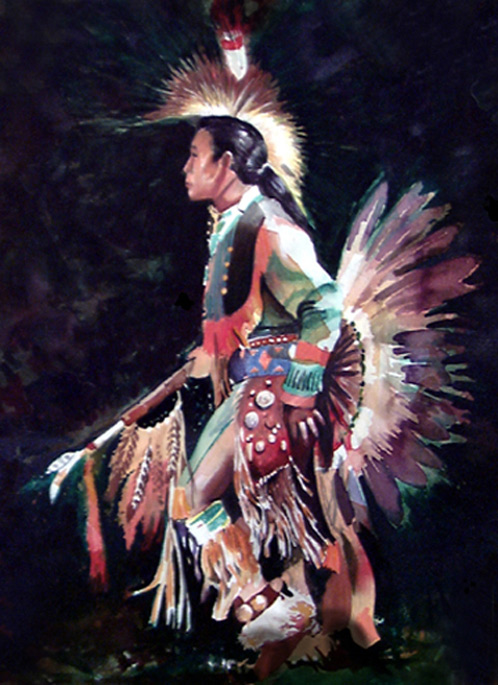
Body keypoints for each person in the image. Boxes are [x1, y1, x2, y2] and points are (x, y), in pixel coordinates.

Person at [152, 114, 380, 672]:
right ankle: (327, 626)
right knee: (311, 520)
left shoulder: (270, 229)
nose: (185, 168)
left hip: (273, 391)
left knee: (193, 498)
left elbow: (323, 305)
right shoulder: (233, 227)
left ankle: (271, 608)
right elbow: (240, 323)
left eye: (195, 155)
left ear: (226, 163)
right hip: (255, 385)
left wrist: (300, 392)